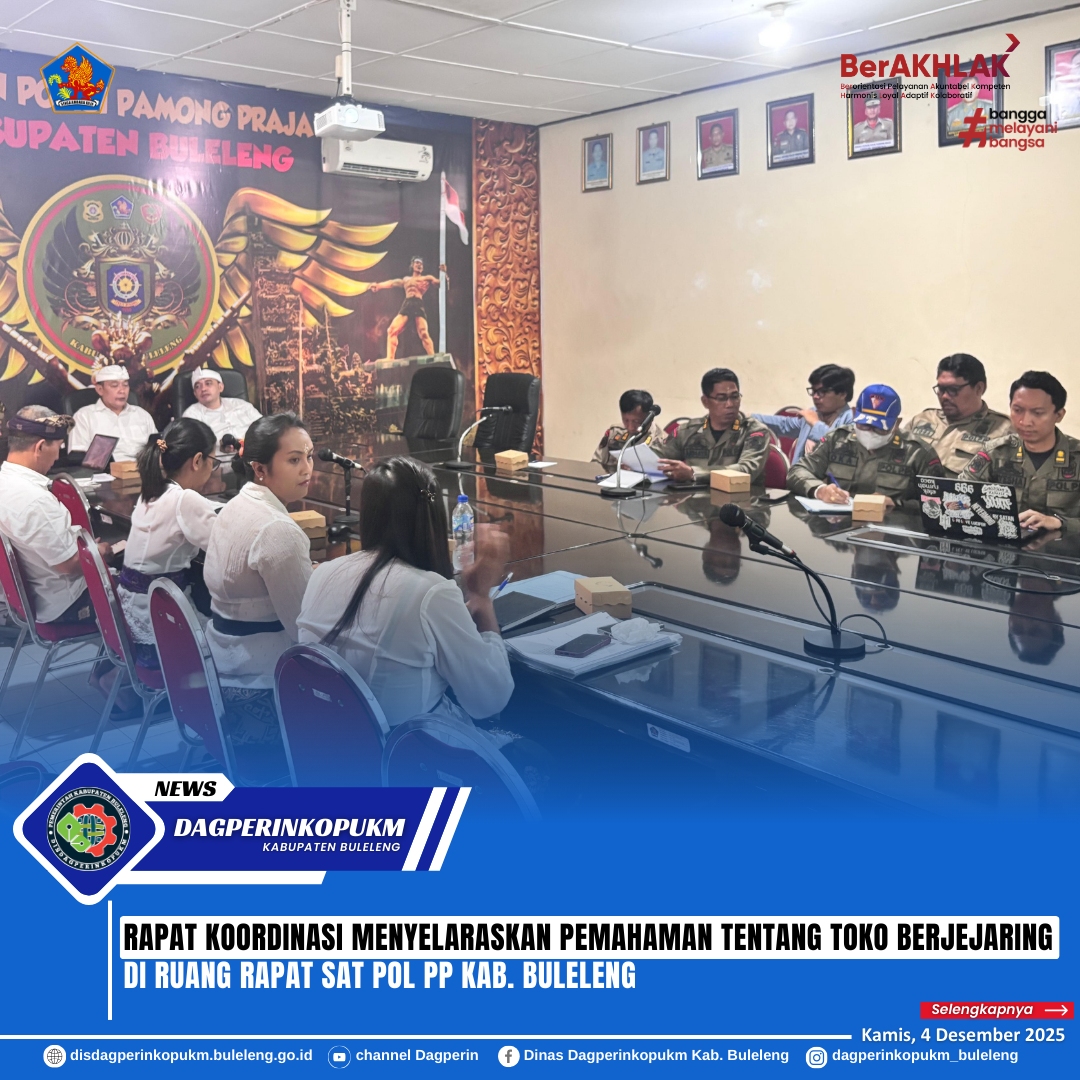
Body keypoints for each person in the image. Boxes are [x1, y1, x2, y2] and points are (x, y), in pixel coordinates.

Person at [298, 457, 515, 728]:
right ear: (433, 519)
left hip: (326, 740)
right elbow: (489, 699)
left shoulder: (322, 574)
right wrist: (481, 598)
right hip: (409, 749)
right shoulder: (431, 593)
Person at [203, 413, 314, 744]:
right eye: (294, 460)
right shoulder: (277, 529)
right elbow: (304, 629)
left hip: (221, 663)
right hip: (258, 681)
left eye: (309, 456)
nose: (307, 469)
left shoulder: (237, 504)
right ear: (260, 469)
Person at [116, 418, 219, 668]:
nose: (212, 469)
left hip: (131, 609)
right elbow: (226, 545)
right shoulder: (185, 499)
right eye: (213, 462)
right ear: (197, 460)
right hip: (160, 616)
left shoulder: (153, 490)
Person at [0, 406, 110, 626]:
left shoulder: (5, 482)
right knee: (140, 586)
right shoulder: (35, 501)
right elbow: (70, 566)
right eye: (58, 447)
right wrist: (100, 552)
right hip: (65, 605)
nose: (58, 456)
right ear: (40, 447)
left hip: (28, 599)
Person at [787, 384, 941, 507]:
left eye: (879, 428)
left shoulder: (918, 453)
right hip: (838, 525)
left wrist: (897, 504)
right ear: (854, 414)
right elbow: (797, 471)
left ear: (896, 424)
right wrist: (820, 490)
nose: (870, 432)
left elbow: (940, 503)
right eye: (864, 425)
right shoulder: (837, 439)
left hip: (892, 529)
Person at [965, 371, 1080, 532]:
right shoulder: (995, 452)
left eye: (1037, 413)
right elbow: (959, 495)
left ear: (1059, 415)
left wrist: (1060, 522)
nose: (1025, 421)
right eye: (1018, 410)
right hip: (1003, 544)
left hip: (1062, 547)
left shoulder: (1077, 457)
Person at [651, 368, 770, 484]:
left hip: (741, 496)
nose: (730, 404)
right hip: (693, 496)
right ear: (705, 401)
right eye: (721, 398)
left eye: (735, 397)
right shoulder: (687, 431)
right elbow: (654, 458)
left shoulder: (754, 431)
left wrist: (694, 473)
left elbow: (746, 471)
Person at [903, 353, 1011, 476]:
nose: (944, 396)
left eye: (953, 390)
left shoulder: (1003, 432)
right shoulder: (922, 420)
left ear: (979, 388)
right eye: (941, 389)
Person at [754, 364, 855, 464]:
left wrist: (816, 424)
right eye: (814, 391)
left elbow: (840, 449)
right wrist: (750, 417)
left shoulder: (853, 421)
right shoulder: (814, 413)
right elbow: (784, 424)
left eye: (822, 391)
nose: (815, 396)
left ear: (842, 394)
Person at [68, 365, 156, 463]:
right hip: (107, 471)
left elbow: (158, 446)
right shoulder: (84, 416)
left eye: (125, 385)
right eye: (114, 385)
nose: (122, 391)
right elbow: (78, 458)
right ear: (100, 389)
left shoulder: (142, 415)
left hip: (143, 469)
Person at [369, 257, 443, 360]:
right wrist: (378, 285)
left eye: (421, 264)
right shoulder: (406, 279)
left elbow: (439, 284)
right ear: (412, 265)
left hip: (418, 303)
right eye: (417, 263)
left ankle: (432, 357)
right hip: (407, 304)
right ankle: (390, 358)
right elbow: (392, 283)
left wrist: (444, 274)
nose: (419, 265)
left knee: (423, 333)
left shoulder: (426, 278)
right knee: (391, 330)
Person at [182, 369, 262, 456]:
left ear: (220, 387)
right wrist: (218, 446)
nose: (203, 389)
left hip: (253, 456)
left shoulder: (242, 405)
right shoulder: (191, 415)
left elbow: (263, 428)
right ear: (195, 393)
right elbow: (191, 447)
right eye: (197, 386)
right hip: (217, 461)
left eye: (208, 383)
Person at [593, 389, 657, 468]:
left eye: (636, 421)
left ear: (649, 417)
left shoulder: (660, 440)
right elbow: (596, 463)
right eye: (626, 420)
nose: (630, 427)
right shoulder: (615, 432)